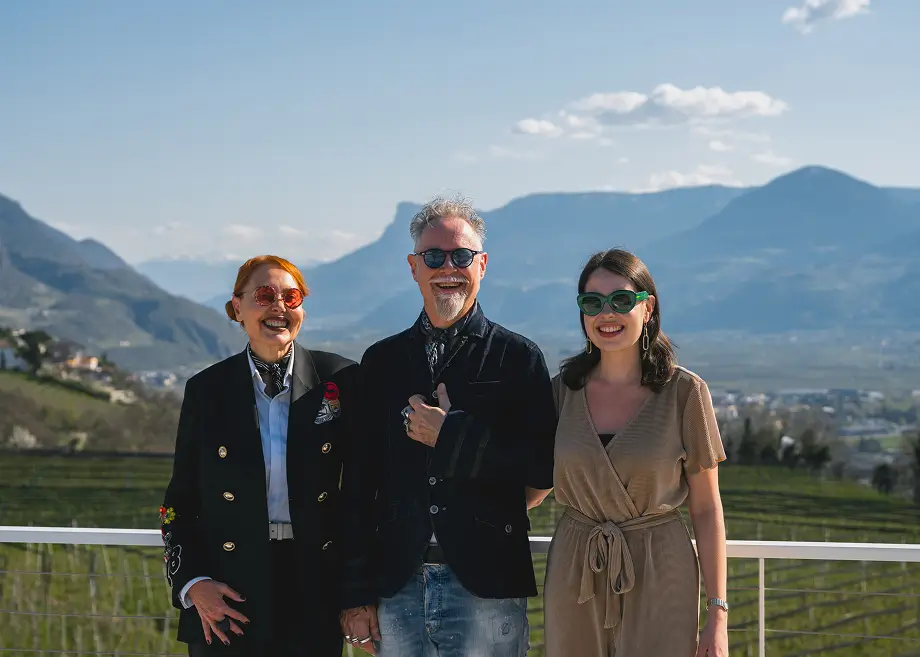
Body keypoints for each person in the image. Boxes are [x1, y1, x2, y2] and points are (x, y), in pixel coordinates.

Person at [338, 196, 556, 656]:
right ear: (414, 267)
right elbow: (358, 484)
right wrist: (357, 592)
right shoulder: (381, 361)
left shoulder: (518, 358)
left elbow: (542, 467)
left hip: (487, 587)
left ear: (483, 265)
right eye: (434, 257)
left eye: (461, 256)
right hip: (397, 584)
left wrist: (452, 435)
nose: (448, 267)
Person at [159, 254, 360, 657]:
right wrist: (192, 583)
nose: (279, 307)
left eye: (292, 296)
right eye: (265, 295)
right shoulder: (206, 390)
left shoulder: (340, 379)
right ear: (237, 307)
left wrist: (359, 592)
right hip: (227, 592)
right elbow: (179, 502)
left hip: (313, 585)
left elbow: (364, 493)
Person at [543, 249, 729, 657]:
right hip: (576, 567)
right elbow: (531, 483)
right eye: (592, 302)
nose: (606, 313)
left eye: (621, 300)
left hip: (662, 569)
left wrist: (717, 615)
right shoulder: (559, 393)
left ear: (648, 308)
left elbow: (706, 509)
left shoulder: (685, 393)